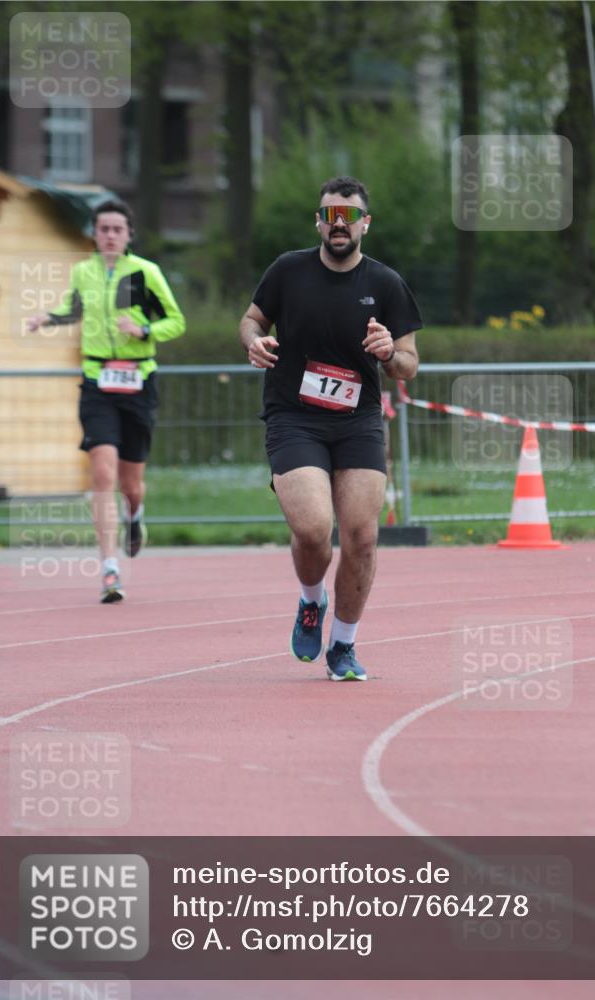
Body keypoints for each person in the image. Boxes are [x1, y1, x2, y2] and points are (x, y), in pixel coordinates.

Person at [239, 176, 421, 681]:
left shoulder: (385, 283)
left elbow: (409, 365)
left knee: (361, 537)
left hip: (358, 421)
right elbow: (251, 320)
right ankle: (311, 600)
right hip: (294, 417)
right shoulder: (288, 270)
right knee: (314, 529)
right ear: (319, 222)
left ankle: (343, 645)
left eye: (349, 216)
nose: (339, 224)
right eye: (330, 216)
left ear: (366, 223)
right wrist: (253, 341)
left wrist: (390, 352)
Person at [26, 199, 185, 603]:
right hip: (97, 380)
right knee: (101, 472)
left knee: (131, 484)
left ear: (129, 234)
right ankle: (110, 568)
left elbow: (176, 322)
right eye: (104, 229)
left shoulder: (145, 272)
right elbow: (73, 310)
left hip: (137, 381)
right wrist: (47, 318)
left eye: (117, 229)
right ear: (94, 235)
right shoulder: (84, 272)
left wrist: (144, 329)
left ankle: (135, 515)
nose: (110, 235)